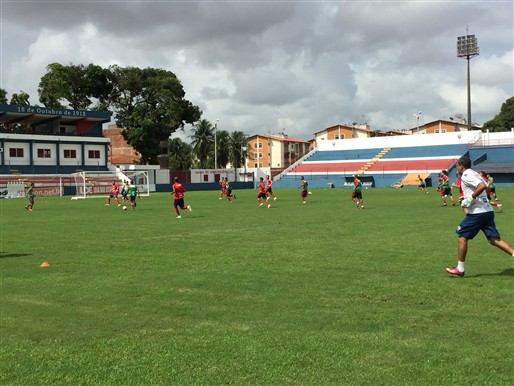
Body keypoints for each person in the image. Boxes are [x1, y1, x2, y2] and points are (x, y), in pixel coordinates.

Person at [446, 157, 514, 277]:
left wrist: (470, 198)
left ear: (461, 166)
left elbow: (482, 186)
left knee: (462, 237)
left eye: (457, 166)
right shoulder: (474, 173)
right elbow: (487, 186)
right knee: (494, 240)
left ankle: (460, 269)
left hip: (478, 213)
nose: (457, 168)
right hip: (487, 210)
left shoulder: (466, 174)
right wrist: (469, 200)